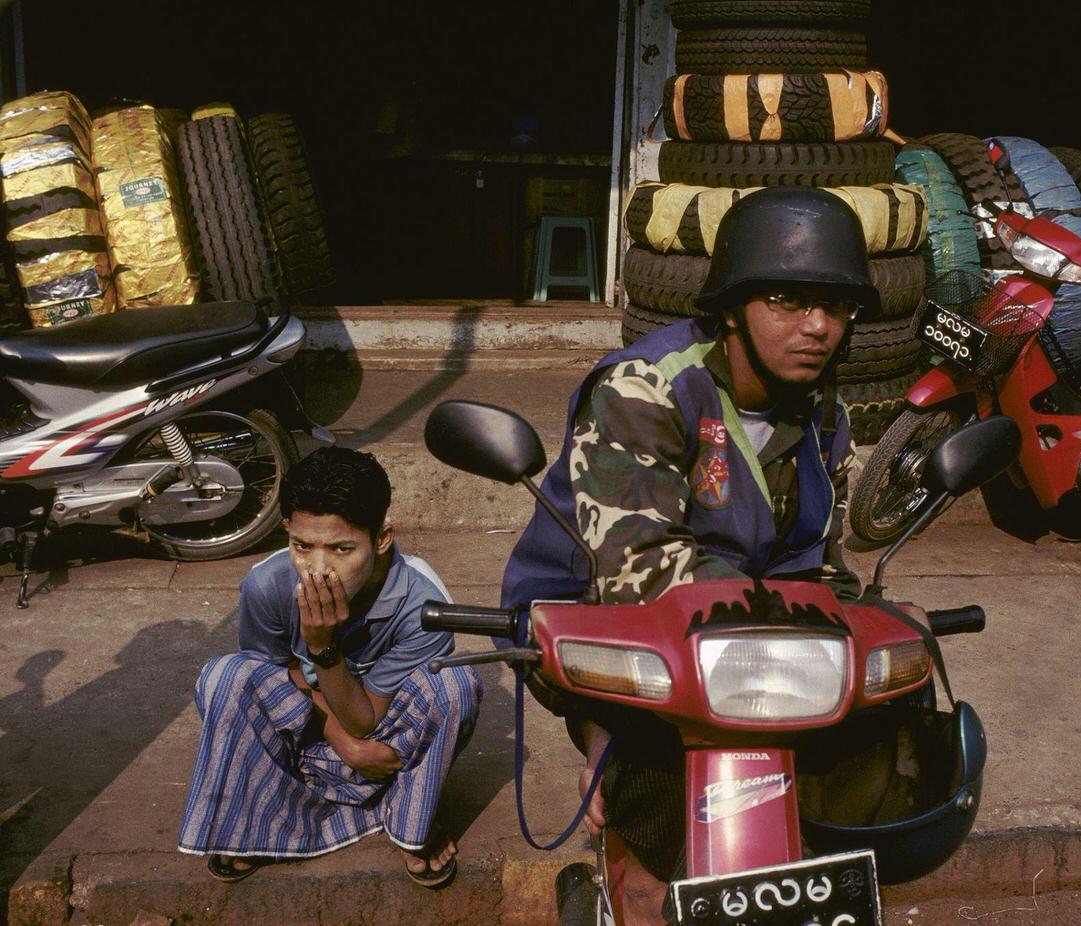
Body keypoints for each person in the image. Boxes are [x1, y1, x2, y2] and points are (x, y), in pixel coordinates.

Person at [499, 187, 918, 924]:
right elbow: (639, 569)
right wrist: (795, 628)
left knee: (874, 757)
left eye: (836, 305)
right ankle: (621, 860)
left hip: (754, 650)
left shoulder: (826, 413)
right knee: (659, 824)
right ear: (731, 308)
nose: (816, 326)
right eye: (788, 300)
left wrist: (866, 621)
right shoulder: (646, 387)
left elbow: (821, 563)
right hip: (604, 631)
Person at [178, 447, 482, 888]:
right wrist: (343, 742)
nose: (318, 570)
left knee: (456, 684)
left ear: (381, 538)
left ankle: (409, 819)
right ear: (287, 533)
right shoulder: (268, 583)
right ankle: (263, 822)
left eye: (342, 549)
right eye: (302, 546)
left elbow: (365, 723)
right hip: (312, 744)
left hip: (387, 754)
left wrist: (324, 650)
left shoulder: (423, 603)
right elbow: (268, 680)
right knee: (226, 676)